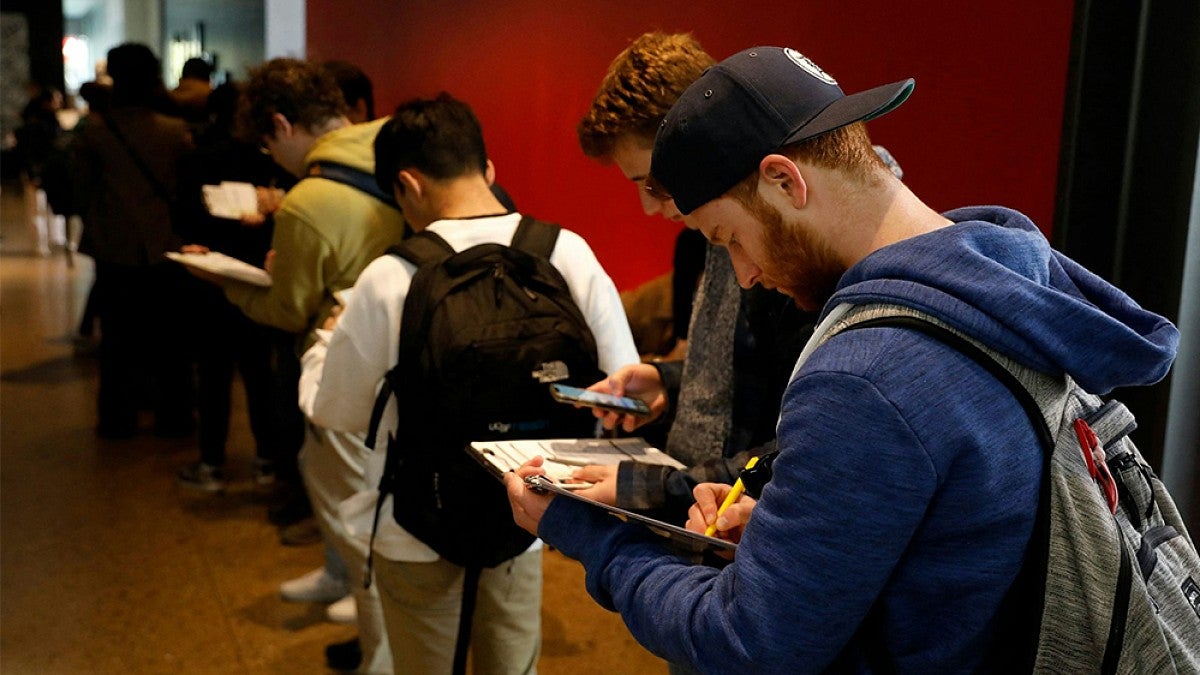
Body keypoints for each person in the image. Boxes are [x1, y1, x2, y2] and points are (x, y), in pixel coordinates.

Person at [506, 45, 1179, 672]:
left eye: (730, 238)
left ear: (784, 181)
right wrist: (789, 536)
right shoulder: (997, 286)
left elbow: (750, 643)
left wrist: (594, 536)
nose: (742, 274)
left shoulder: (866, 374)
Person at [300, 93, 639, 674]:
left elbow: (339, 412)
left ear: (406, 185)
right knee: (511, 664)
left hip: (414, 524)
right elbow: (621, 388)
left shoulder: (390, 276)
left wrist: (322, 348)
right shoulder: (565, 252)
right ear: (487, 169)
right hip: (526, 511)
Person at [207, 57, 405, 673]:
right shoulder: (395, 143)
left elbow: (291, 308)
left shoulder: (309, 200)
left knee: (357, 515)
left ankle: (380, 654)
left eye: (269, 144)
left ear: (282, 123)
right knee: (353, 493)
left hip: (346, 365)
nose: (272, 158)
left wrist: (226, 281)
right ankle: (343, 584)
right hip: (405, 358)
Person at [573, 32, 813, 524]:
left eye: (653, 182)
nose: (648, 205)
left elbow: (803, 439)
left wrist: (650, 489)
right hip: (698, 515)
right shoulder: (698, 243)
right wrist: (668, 380)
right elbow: (750, 375)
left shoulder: (798, 251)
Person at [173, 81, 298, 494]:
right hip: (261, 280)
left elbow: (185, 220)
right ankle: (267, 460)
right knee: (261, 374)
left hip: (213, 284)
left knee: (212, 375)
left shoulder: (199, 159)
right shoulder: (275, 165)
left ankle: (211, 463)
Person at [70, 42, 196, 439]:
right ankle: (174, 416)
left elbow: (82, 188)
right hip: (166, 245)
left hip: (114, 247)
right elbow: (187, 190)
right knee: (170, 339)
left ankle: (118, 418)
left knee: (118, 341)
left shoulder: (95, 132)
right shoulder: (175, 132)